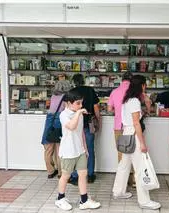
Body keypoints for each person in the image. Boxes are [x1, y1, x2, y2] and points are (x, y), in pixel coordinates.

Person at [112, 75, 161, 210]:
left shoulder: (127, 100)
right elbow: (136, 123)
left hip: (126, 133)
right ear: (142, 86)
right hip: (133, 133)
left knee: (124, 165)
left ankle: (118, 191)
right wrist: (143, 143)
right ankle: (144, 200)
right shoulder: (134, 101)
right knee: (140, 168)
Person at [55, 89, 101, 211]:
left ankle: (84, 200)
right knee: (65, 175)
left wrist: (85, 149)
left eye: (81, 103)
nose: (81, 106)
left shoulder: (78, 114)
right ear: (69, 103)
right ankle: (60, 199)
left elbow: (81, 133)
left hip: (79, 150)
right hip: (68, 151)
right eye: (78, 103)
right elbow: (71, 126)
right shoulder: (63, 115)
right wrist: (79, 112)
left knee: (83, 174)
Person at [69, 74, 101, 185]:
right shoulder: (90, 90)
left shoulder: (72, 92)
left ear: (73, 81)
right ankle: (90, 175)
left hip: (75, 126)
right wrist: (98, 120)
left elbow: (67, 109)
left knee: (75, 150)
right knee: (90, 150)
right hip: (88, 124)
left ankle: (74, 176)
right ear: (83, 81)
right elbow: (96, 107)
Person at [107, 72, 136, 186]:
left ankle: (122, 181)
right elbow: (145, 103)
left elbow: (109, 109)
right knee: (133, 151)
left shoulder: (114, 91)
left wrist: (118, 112)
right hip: (132, 126)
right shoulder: (134, 92)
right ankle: (134, 180)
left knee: (121, 153)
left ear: (121, 80)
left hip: (118, 126)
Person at [41, 80, 70, 179]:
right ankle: (60, 173)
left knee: (48, 149)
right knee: (59, 149)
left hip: (49, 120)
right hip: (59, 121)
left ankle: (50, 171)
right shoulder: (66, 97)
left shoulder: (53, 96)